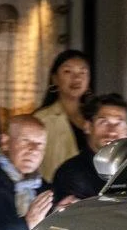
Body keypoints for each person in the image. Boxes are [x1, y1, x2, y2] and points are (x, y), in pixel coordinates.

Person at [51, 93, 127, 204]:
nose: (111, 131)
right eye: (104, 122)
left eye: (119, 124)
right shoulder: (71, 173)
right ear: (88, 126)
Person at [32, 48, 92, 183]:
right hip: (55, 191)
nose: (76, 78)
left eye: (83, 72)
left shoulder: (95, 118)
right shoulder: (42, 119)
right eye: (67, 71)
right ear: (54, 79)